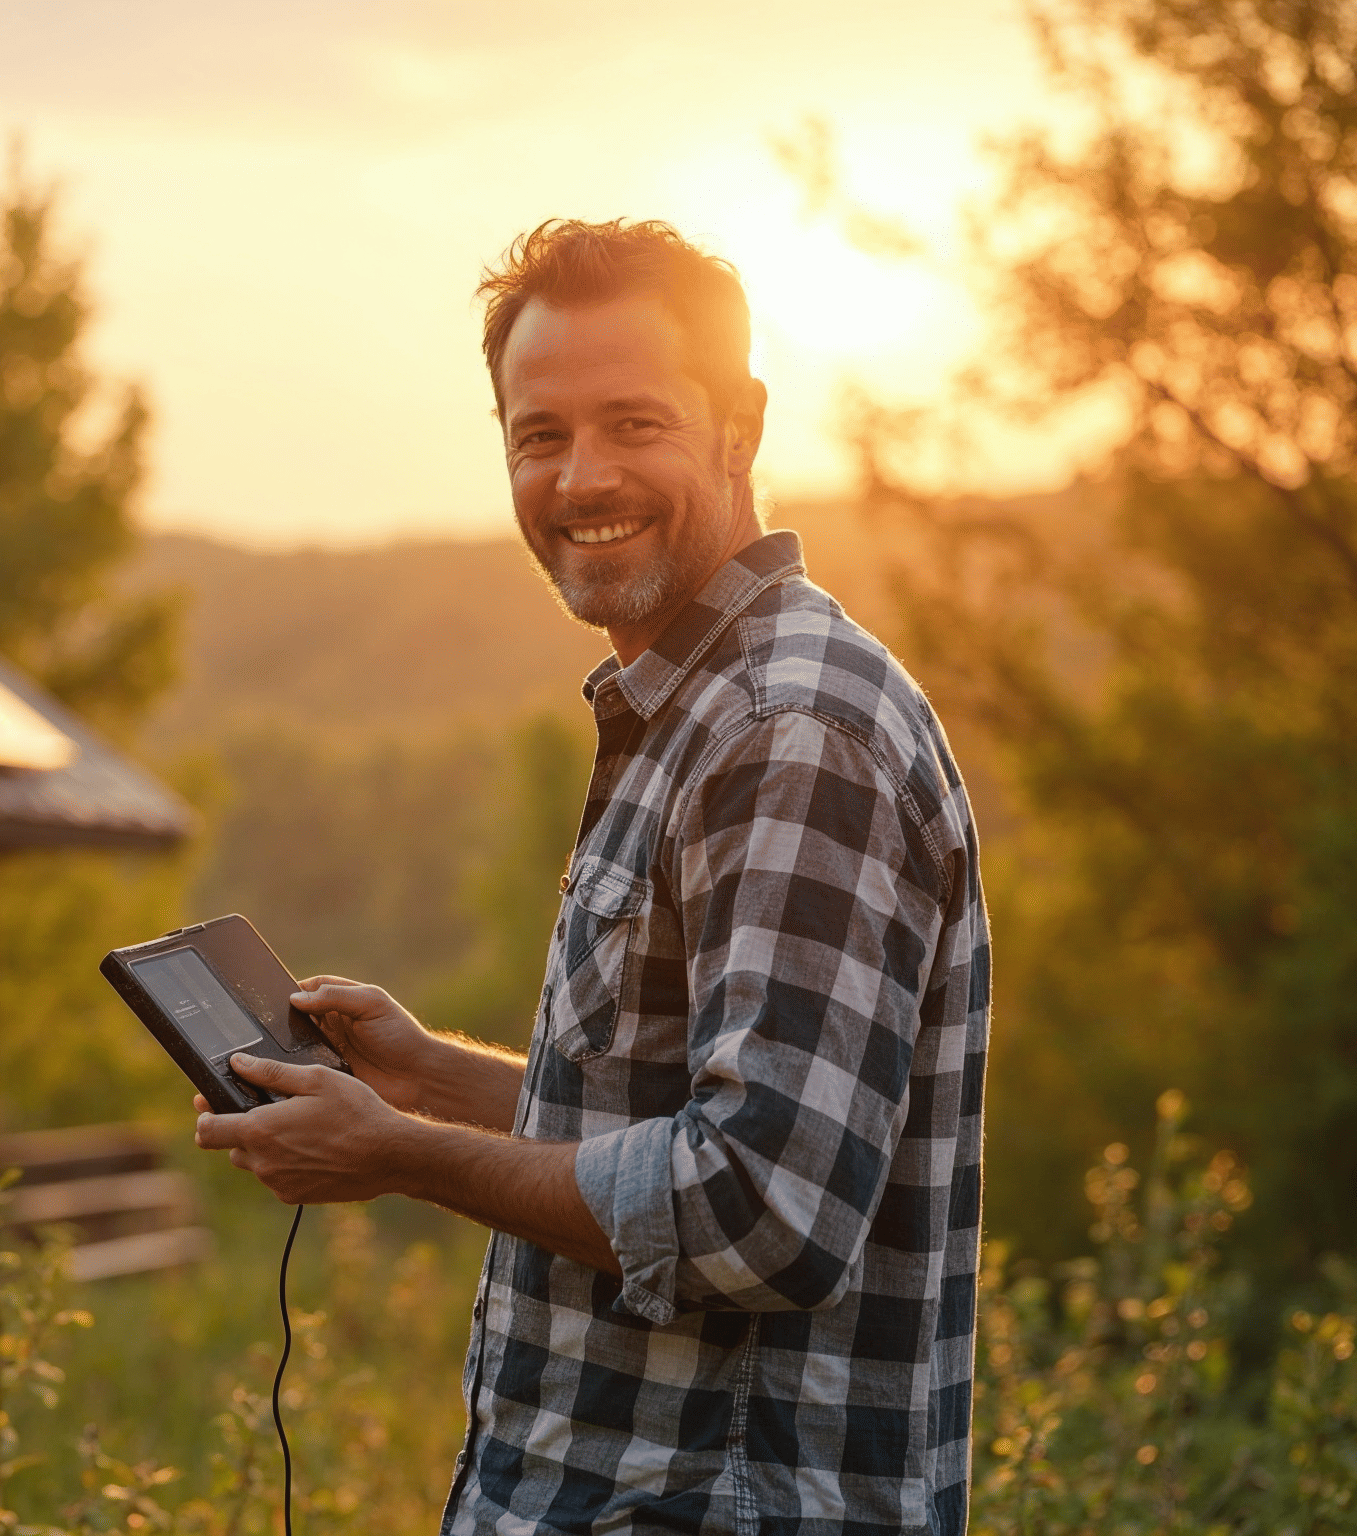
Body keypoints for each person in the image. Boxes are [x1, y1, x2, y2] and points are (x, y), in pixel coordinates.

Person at [191, 218, 990, 1536]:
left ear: (740, 426)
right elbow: (684, 1122)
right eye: (539, 435)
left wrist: (403, 1157)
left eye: (635, 424)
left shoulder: (794, 729)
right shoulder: (689, 716)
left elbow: (761, 1207)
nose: (582, 478)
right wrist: (429, 1079)